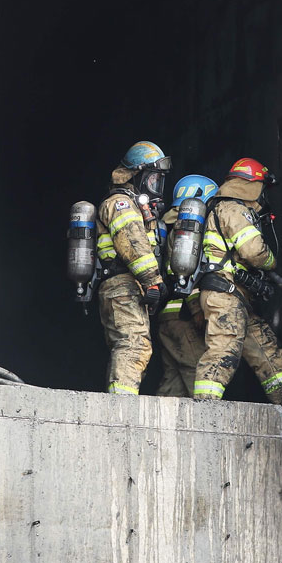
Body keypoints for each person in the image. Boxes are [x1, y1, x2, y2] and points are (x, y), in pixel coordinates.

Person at [194, 157, 282, 404]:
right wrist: (272, 263)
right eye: (262, 189)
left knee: (266, 349)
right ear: (252, 187)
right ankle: (204, 406)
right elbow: (254, 252)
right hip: (224, 295)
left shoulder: (225, 209)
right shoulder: (233, 210)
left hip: (238, 297)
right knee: (224, 349)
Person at [95, 141, 171, 395]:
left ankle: (124, 398)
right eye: (153, 180)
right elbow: (133, 244)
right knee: (133, 345)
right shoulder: (120, 203)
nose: (157, 188)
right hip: (121, 286)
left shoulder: (135, 205)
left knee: (137, 347)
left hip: (129, 287)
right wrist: (153, 280)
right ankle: (121, 408)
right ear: (136, 175)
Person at [156, 174, 217, 397]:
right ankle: (208, 424)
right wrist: (197, 311)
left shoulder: (172, 230)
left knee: (173, 384)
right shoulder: (187, 235)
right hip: (184, 318)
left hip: (168, 318)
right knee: (198, 375)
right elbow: (185, 277)